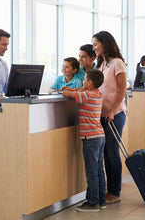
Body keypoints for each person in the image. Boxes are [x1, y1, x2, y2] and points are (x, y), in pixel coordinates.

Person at [62, 69, 106, 212]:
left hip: (90, 138)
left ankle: (92, 203)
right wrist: (75, 88)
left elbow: (68, 95)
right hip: (100, 136)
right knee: (99, 169)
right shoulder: (97, 94)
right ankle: (101, 200)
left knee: (91, 171)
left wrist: (65, 90)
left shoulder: (86, 95)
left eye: (85, 79)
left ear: (90, 82)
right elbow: (80, 90)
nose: (83, 81)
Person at [92, 31, 127, 204]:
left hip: (115, 114)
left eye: (96, 44)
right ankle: (109, 190)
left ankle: (115, 191)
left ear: (104, 44)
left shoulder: (117, 63)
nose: (94, 48)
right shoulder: (101, 64)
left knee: (112, 152)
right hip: (102, 114)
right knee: (105, 153)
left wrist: (112, 110)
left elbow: (122, 89)